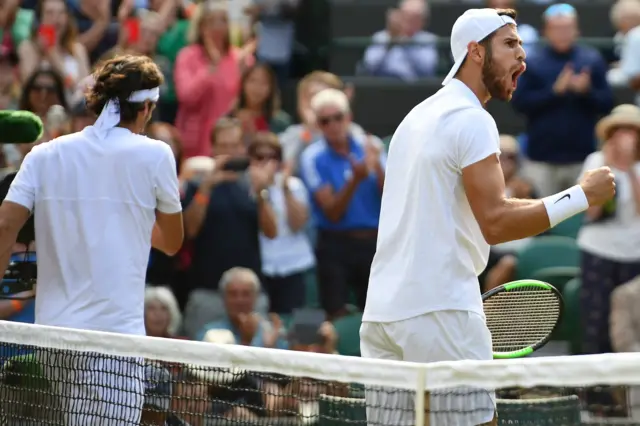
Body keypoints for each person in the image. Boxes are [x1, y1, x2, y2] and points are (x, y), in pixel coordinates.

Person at [360, 8, 616, 426]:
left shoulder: (416, 118)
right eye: (510, 44)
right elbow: (495, 223)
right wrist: (581, 196)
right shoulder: (472, 120)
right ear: (475, 52)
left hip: (383, 315)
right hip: (441, 309)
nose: (523, 58)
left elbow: (479, 207)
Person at [0, 54, 184, 425]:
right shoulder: (157, 155)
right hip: (113, 344)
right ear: (146, 108)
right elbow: (171, 241)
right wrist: (132, 217)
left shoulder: (44, 154)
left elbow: (5, 225)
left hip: (50, 341)